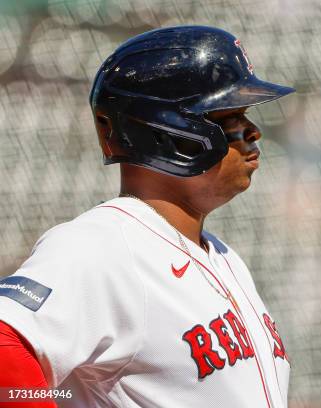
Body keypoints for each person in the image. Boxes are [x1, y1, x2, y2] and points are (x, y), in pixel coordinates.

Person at [0, 26, 293, 408]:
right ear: (168, 131)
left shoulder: (222, 256)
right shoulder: (104, 244)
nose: (252, 132)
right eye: (230, 116)